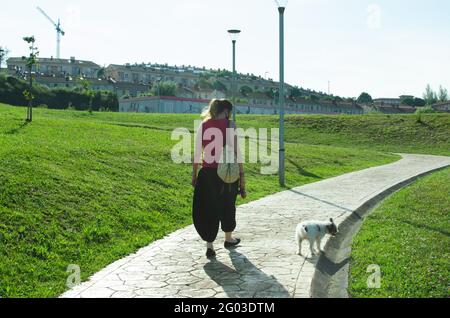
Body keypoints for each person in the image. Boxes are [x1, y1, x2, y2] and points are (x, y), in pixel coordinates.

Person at [192, 99, 247, 258]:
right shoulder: (231, 125)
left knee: (208, 208)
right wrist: (242, 176)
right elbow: (237, 153)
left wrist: (194, 174)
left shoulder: (204, 125)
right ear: (226, 111)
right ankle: (228, 239)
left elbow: (197, 152)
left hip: (207, 173)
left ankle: (210, 246)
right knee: (228, 205)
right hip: (227, 174)